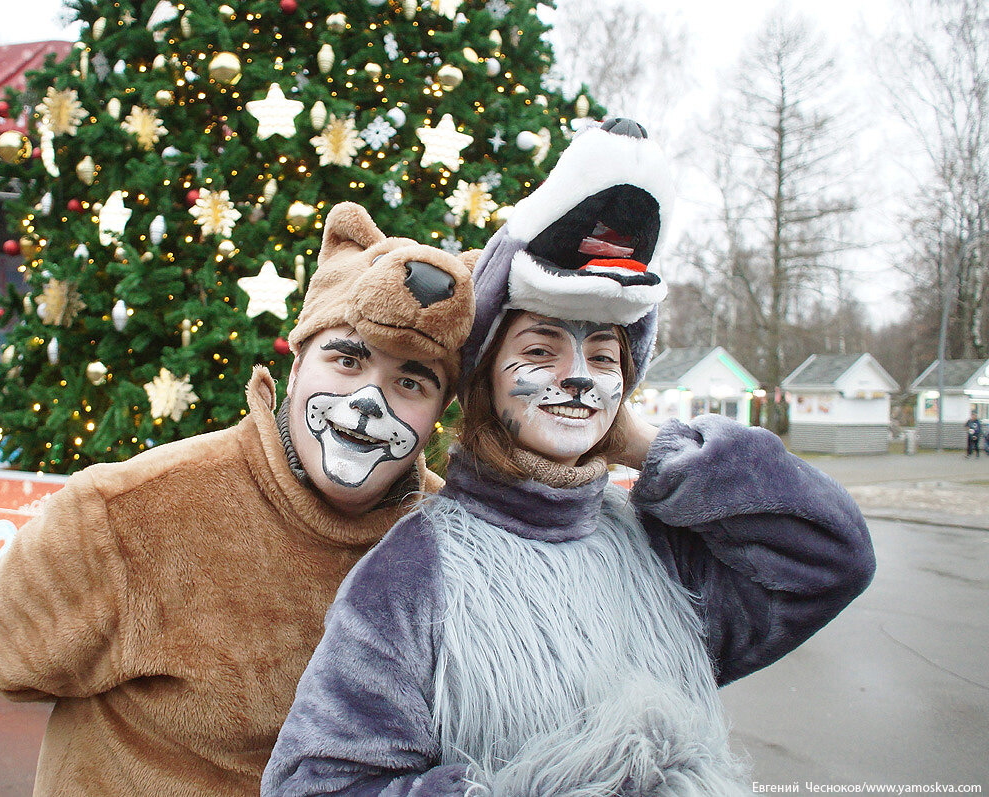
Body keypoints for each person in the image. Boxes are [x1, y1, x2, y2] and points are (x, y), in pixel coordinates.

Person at [263, 121, 876, 796]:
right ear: (486, 379)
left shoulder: (662, 551)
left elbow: (832, 557)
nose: (579, 377)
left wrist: (649, 447)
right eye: (541, 349)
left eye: (605, 356)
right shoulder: (411, 573)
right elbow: (316, 782)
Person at [0, 203, 478, 795]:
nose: (367, 401)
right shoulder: (129, 512)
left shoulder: (449, 542)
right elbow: (10, 658)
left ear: (439, 414)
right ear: (298, 361)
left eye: (411, 383)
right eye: (346, 359)